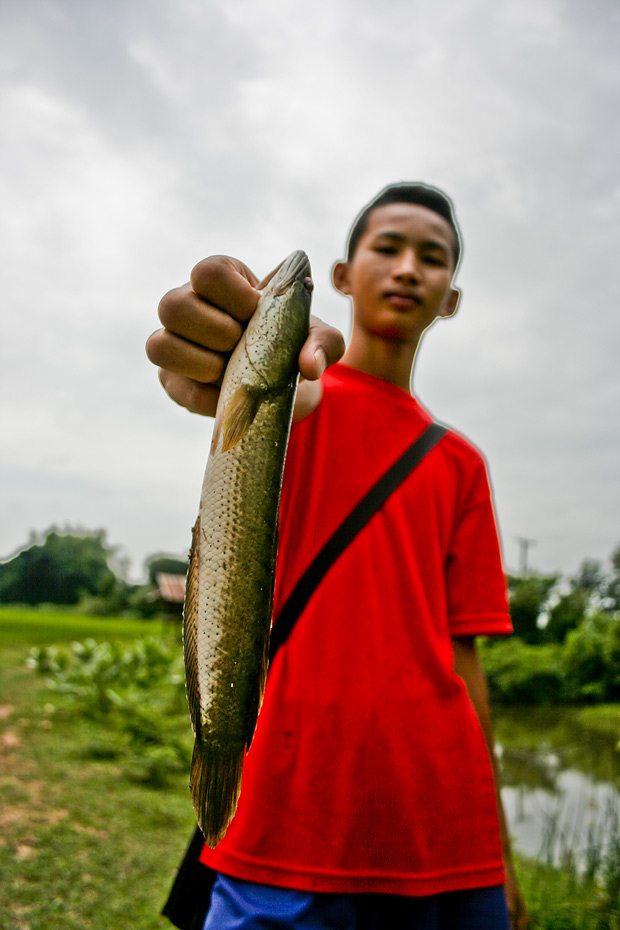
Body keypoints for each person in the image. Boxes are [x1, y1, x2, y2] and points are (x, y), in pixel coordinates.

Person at [146, 182, 529, 930]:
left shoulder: (462, 463)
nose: (410, 268)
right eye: (387, 247)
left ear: (450, 296)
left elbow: (466, 660)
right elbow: (274, 391)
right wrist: (237, 351)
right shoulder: (301, 397)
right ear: (346, 274)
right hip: (290, 817)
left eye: (434, 257)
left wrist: (504, 854)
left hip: (450, 834)